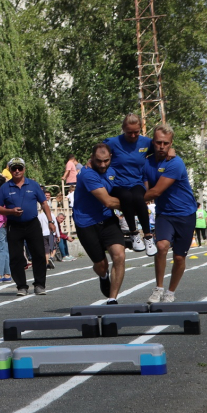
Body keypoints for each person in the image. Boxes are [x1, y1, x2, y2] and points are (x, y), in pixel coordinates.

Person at [143, 124, 198, 303]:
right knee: (161, 246)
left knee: (179, 257)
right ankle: (158, 289)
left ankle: (170, 292)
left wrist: (127, 203)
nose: (162, 146)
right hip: (164, 214)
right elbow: (144, 189)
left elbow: (155, 192)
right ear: (153, 142)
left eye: (166, 143)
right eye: (158, 142)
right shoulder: (146, 162)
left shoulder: (175, 162)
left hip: (185, 214)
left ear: (171, 143)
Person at [73, 143, 126, 303]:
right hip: (86, 223)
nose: (103, 165)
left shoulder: (114, 168)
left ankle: (112, 299)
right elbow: (108, 202)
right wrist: (133, 205)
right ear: (92, 159)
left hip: (108, 219)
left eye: (106, 161)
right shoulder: (87, 174)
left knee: (119, 255)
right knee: (101, 264)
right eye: (99, 161)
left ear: (111, 158)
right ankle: (103, 276)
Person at [0, 157, 56, 296]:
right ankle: (21, 286)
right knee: (16, 257)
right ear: (10, 170)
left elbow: (44, 203)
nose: (17, 171)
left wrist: (51, 221)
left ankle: (40, 284)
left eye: (19, 168)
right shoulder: (5, 187)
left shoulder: (33, 185)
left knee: (39, 254)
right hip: (14, 225)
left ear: (24, 169)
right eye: (14, 168)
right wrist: (10, 211)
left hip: (32, 224)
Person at [104, 114, 158, 256]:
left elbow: (161, 148)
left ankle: (147, 236)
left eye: (136, 132)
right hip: (118, 183)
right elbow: (99, 152)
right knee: (126, 197)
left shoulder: (146, 143)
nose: (133, 135)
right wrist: (91, 162)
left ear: (140, 129)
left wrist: (172, 151)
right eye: (129, 132)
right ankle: (134, 233)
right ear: (123, 129)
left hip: (136, 182)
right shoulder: (113, 142)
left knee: (139, 198)